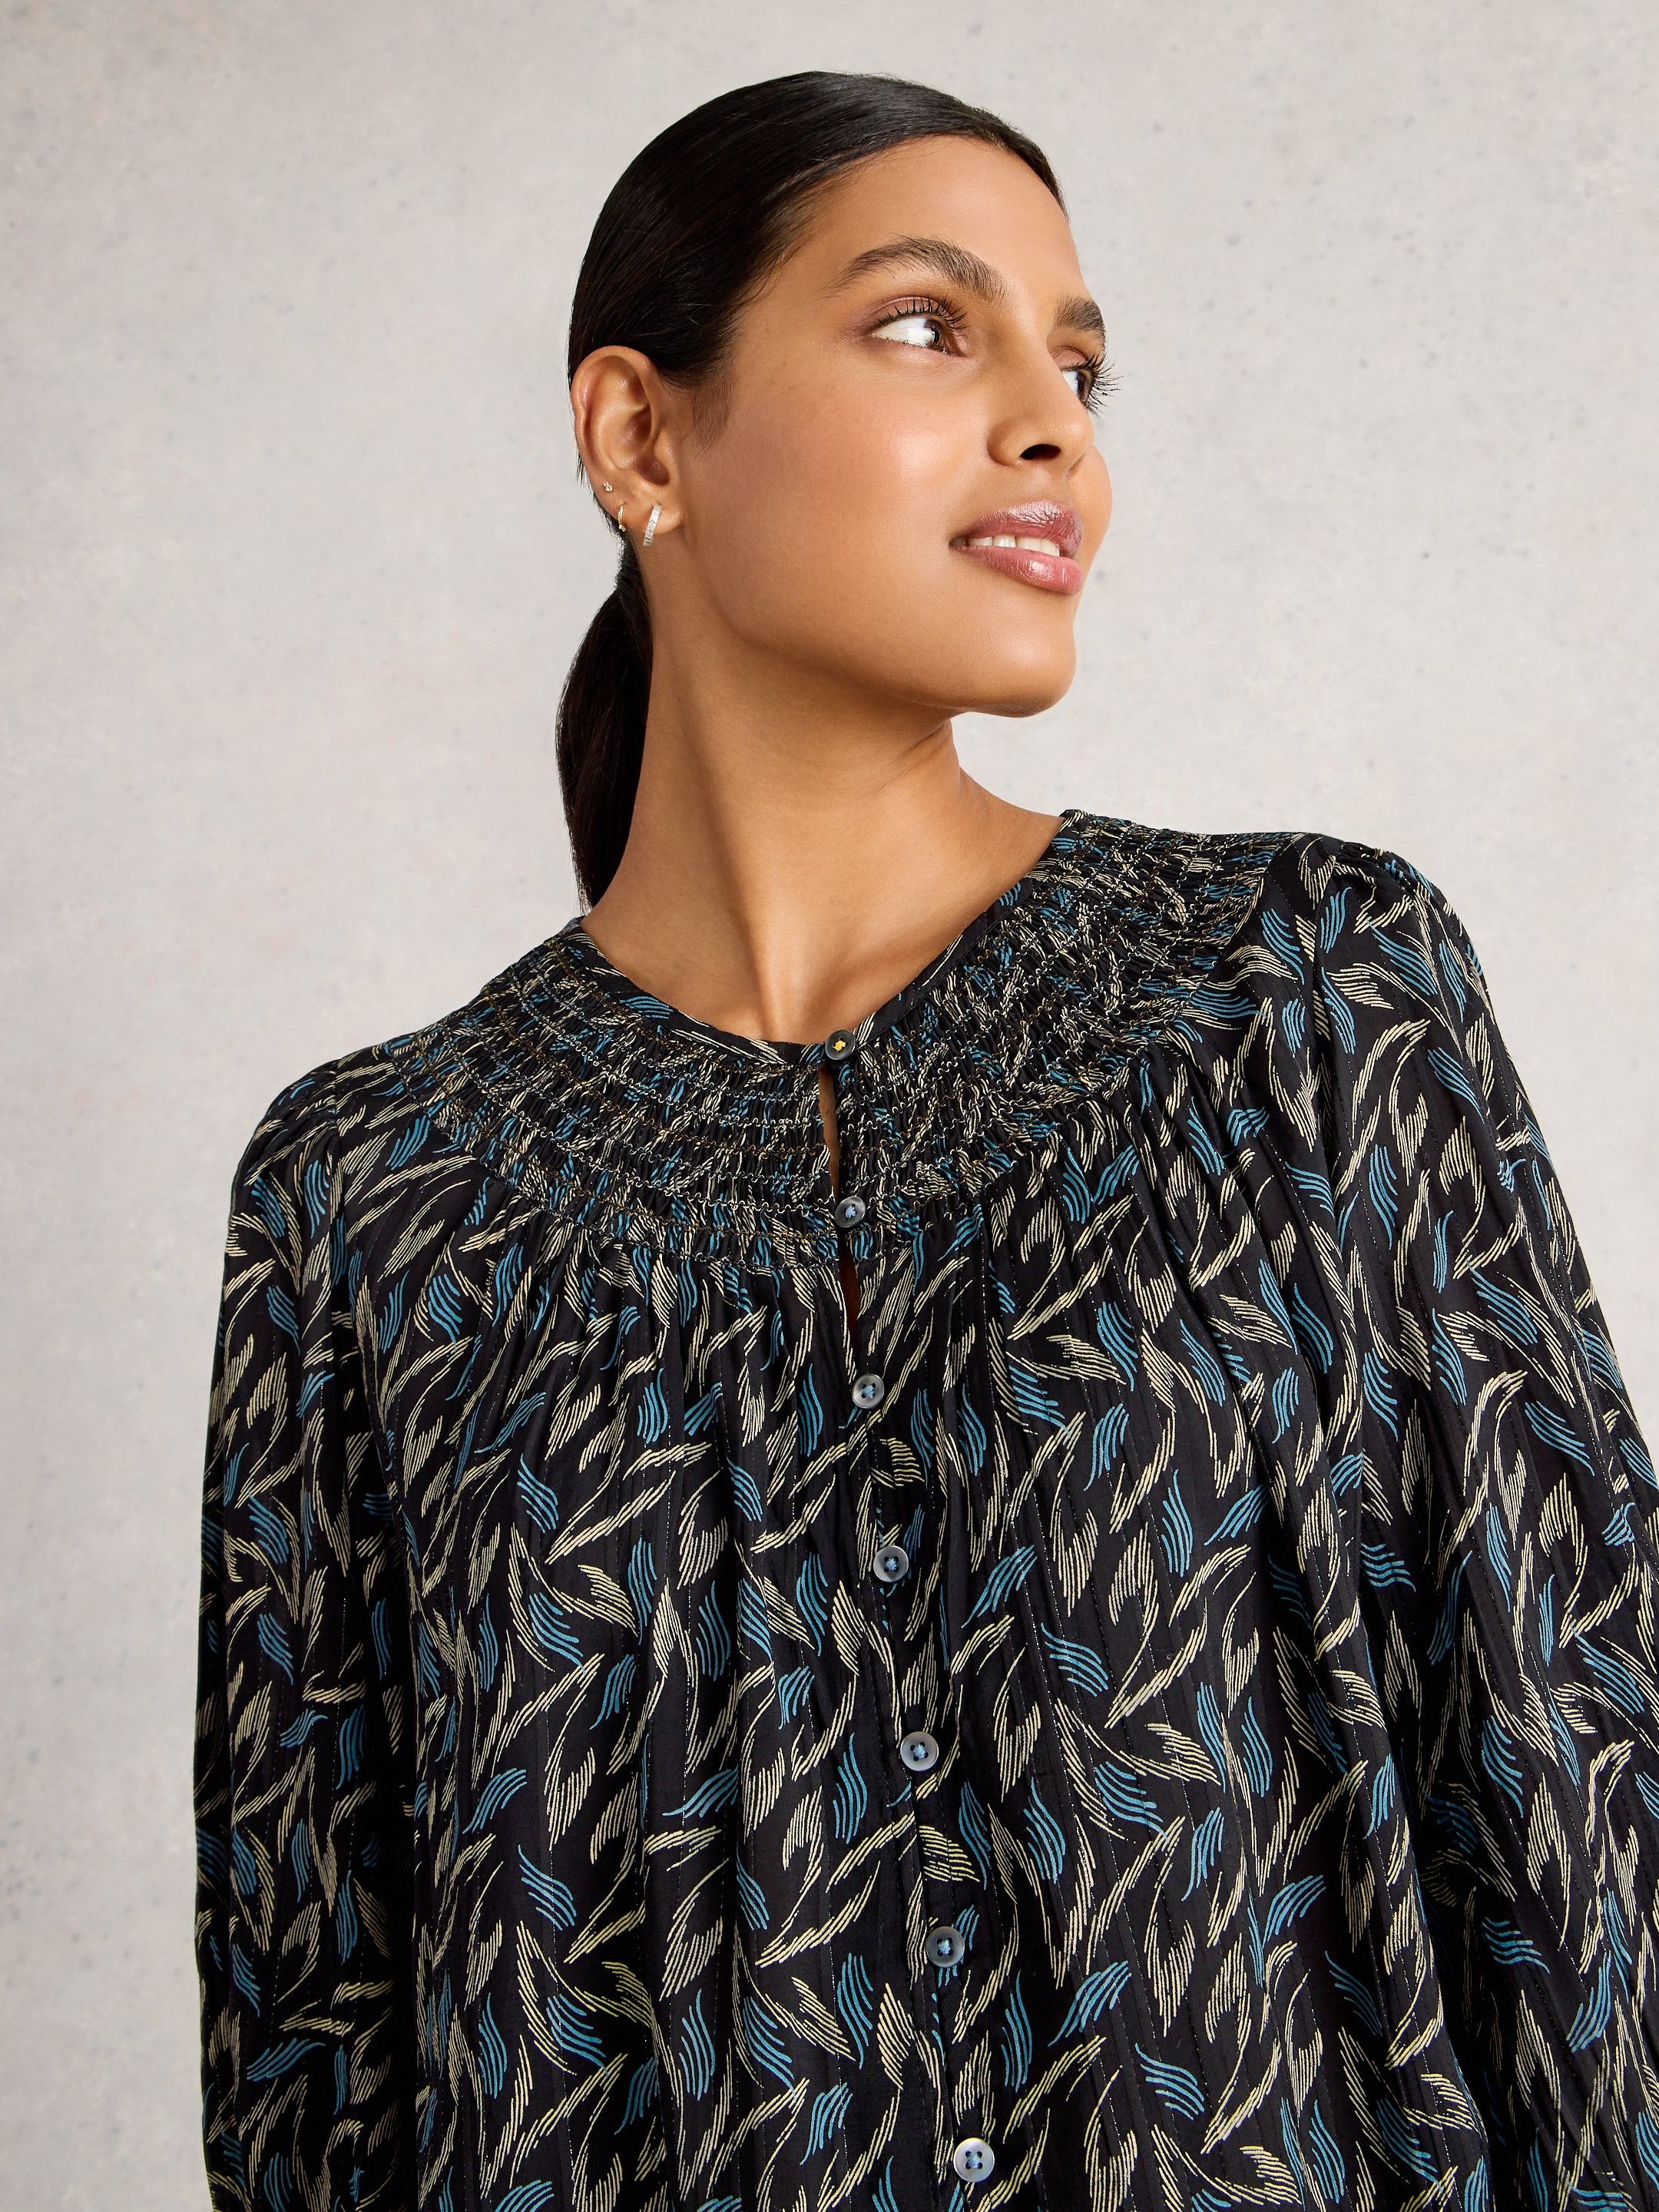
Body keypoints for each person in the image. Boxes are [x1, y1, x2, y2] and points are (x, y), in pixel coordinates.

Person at [192, 68, 1659, 2212]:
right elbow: (316, 2078)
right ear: (638, 437)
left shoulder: (1309, 998)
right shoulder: (370, 1197)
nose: (1056, 424)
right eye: (925, 325)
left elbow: (1584, 1836)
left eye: (1078, 361)